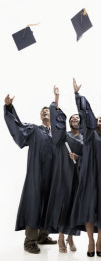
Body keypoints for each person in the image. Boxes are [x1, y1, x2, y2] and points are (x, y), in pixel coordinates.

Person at [70, 78, 101, 257]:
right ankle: (91, 241)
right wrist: (77, 95)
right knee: (90, 208)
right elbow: (85, 114)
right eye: (100, 118)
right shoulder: (90, 134)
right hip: (90, 176)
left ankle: (99, 241)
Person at [4, 95, 57, 254]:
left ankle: (43, 235)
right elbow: (17, 127)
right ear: (41, 116)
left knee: (49, 202)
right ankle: (30, 240)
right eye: (43, 111)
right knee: (34, 203)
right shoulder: (34, 130)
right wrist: (8, 108)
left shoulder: (58, 134)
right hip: (37, 174)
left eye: (48, 110)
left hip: (53, 174)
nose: (45, 112)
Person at [44, 86, 83, 253]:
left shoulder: (84, 138)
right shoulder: (62, 136)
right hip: (62, 175)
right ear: (69, 122)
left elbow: (88, 159)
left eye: (77, 117)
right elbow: (56, 120)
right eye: (72, 117)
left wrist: (78, 158)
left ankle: (70, 237)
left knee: (74, 206)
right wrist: (56, 99)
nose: (75, 118)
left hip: (77, 176)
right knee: (62, 206)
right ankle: (61, 237)